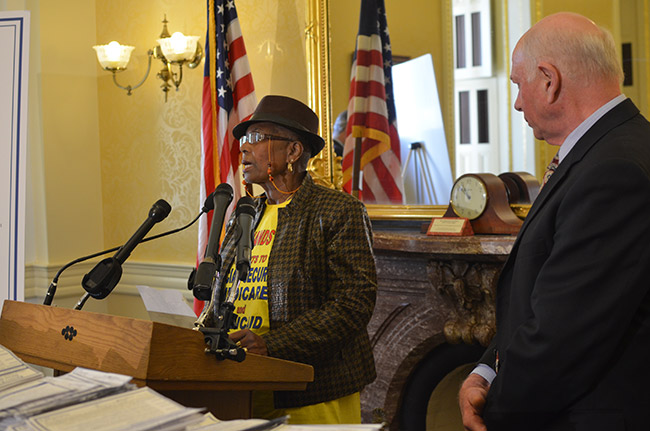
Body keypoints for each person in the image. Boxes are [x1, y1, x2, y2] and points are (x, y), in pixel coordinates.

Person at [458, 12, 650, 431]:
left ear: (549, 79)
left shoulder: (615, 169)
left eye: (518, 85)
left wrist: (493, 416)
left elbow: (565, 338)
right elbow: (540, 300)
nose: (518, 102)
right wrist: (486, 371)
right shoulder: (609, 150)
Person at [202, 95, 377, 424]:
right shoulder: (245, 214)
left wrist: (273, 345)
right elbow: (222, 291)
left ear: (294, 151)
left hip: (312, 390)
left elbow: (353, 304)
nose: (244, 148)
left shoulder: (337, 211)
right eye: (244, 139)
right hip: (244, 382)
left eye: (256, 138)